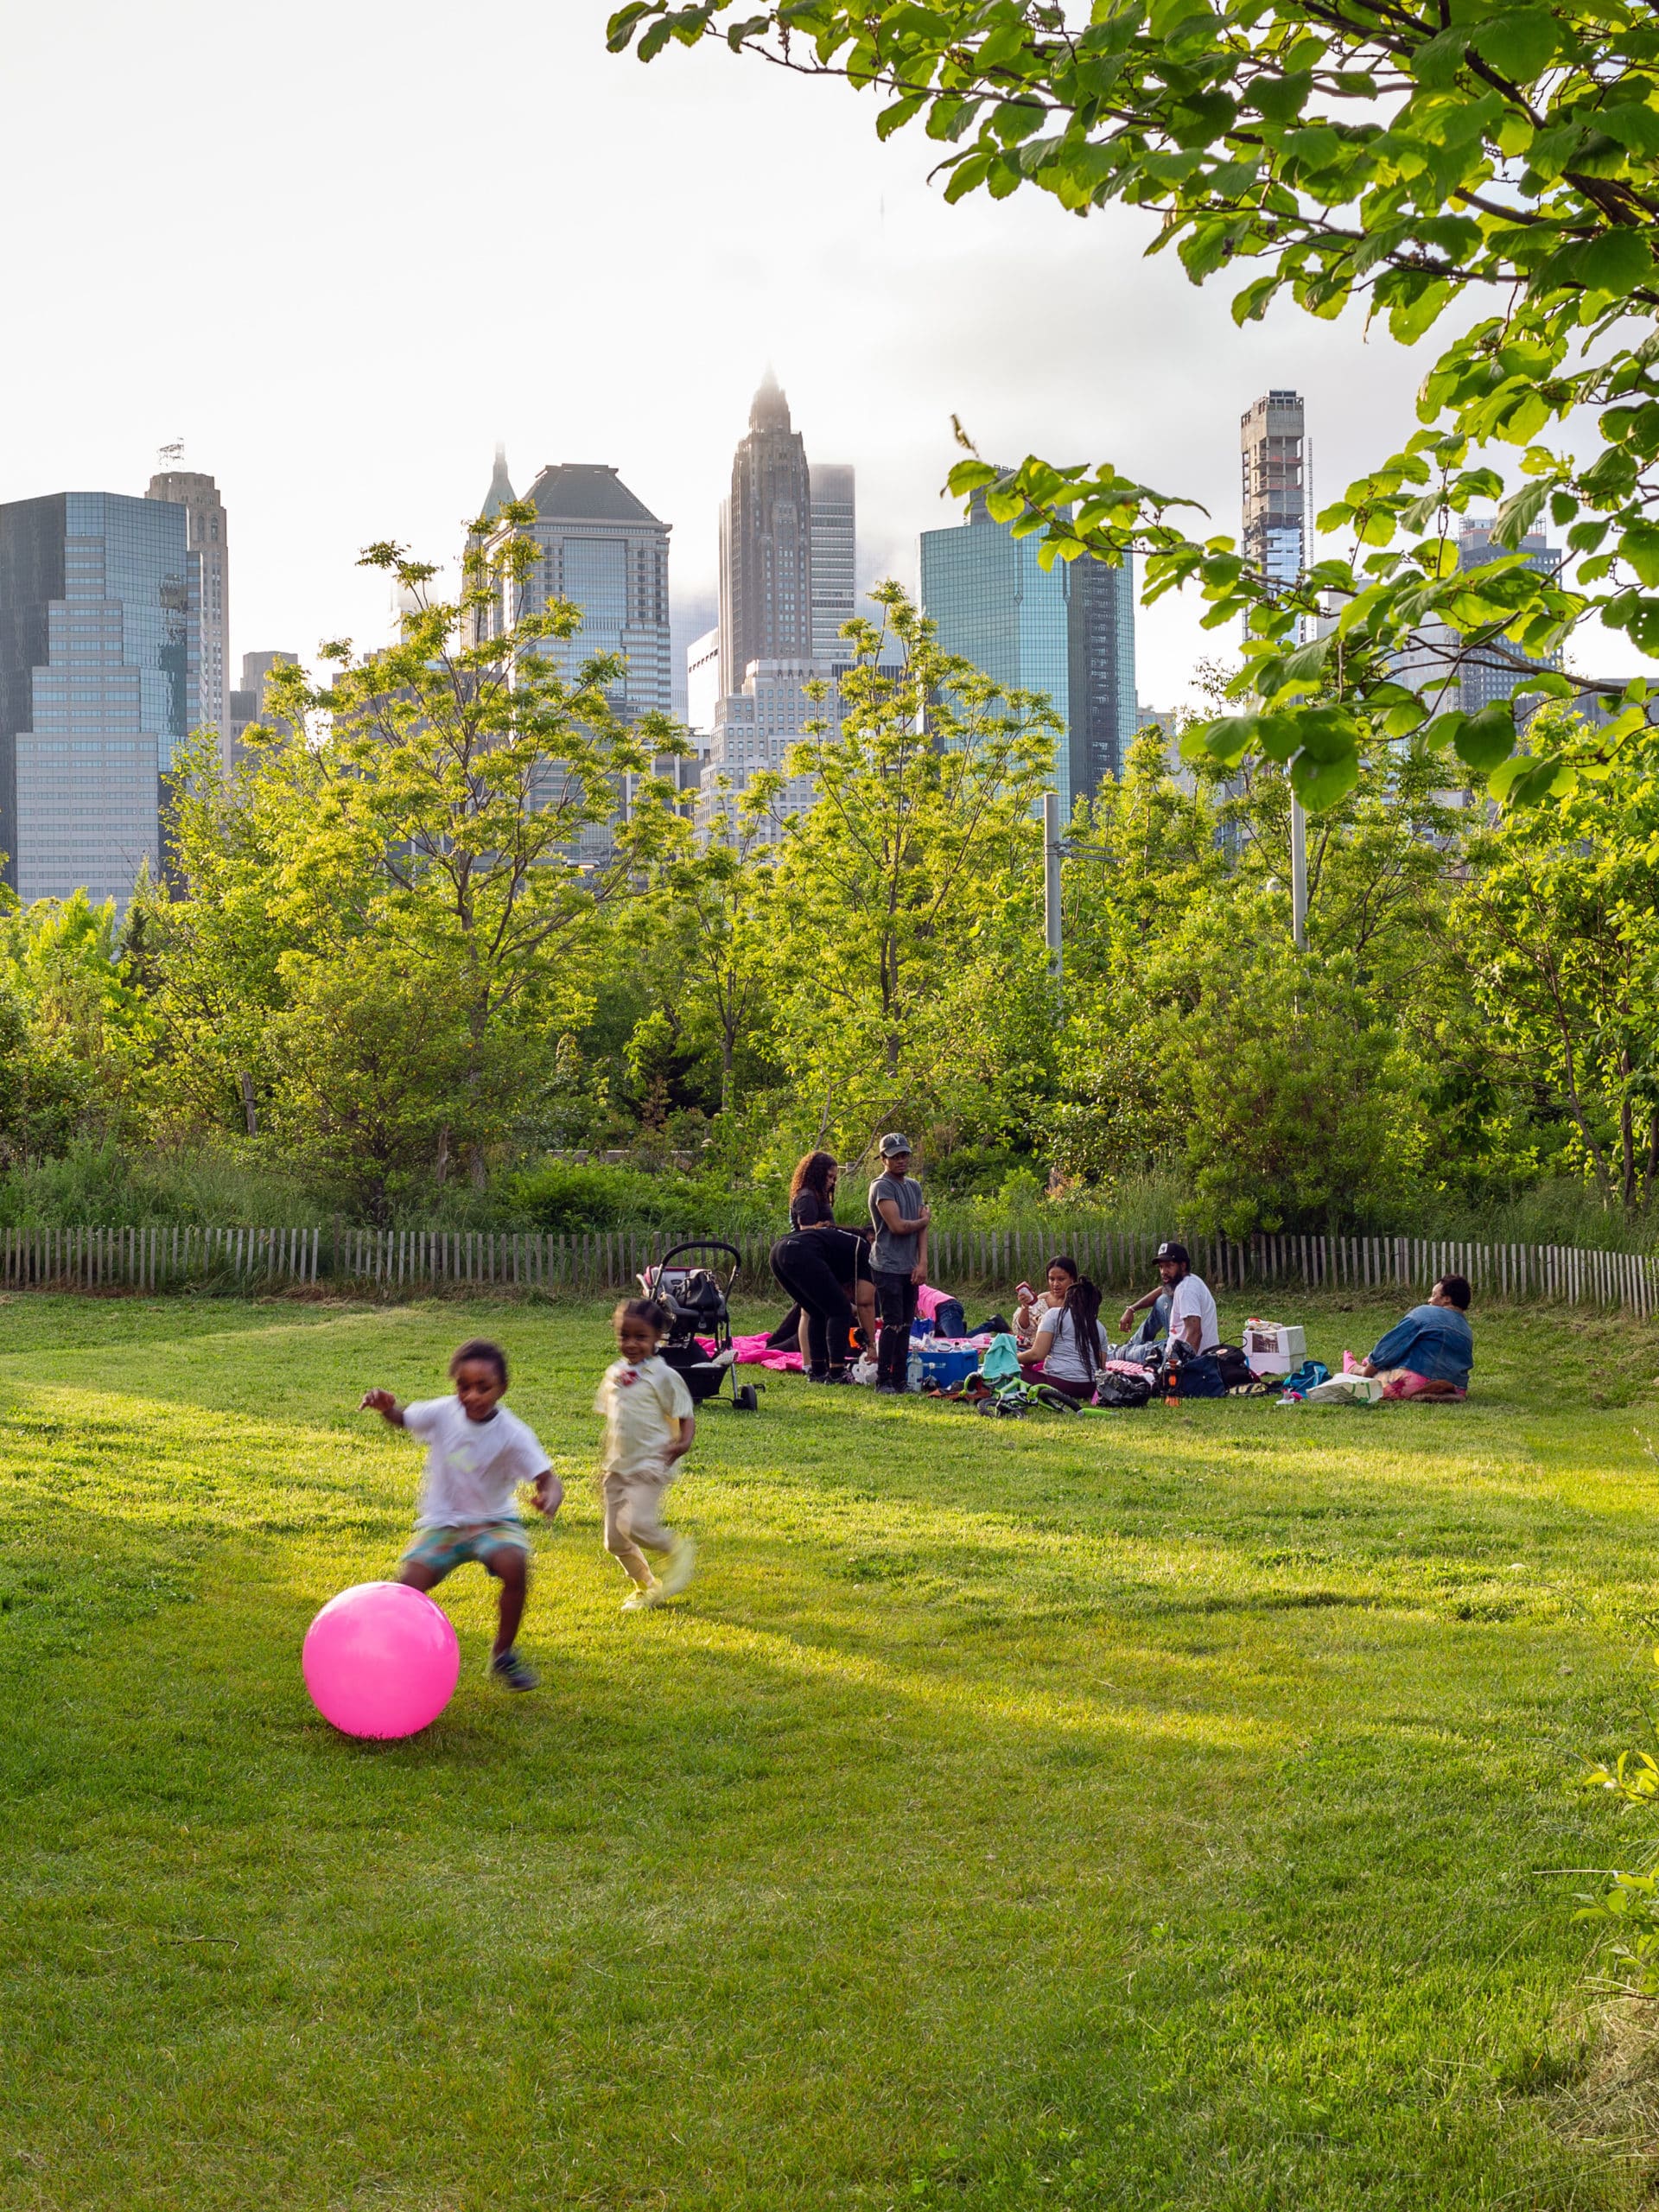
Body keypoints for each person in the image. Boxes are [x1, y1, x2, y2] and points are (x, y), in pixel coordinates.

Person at [359, 1338, 561, 1692]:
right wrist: (386, 1408)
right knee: (408, 1586)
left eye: (483, 1388)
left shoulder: (513, 1434)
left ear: (502, 1388)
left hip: (493, 1521)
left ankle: (503, 1653)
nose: (471, 1396)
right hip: (444, 1522)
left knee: (515, 1566)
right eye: (463, 1387)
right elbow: (404, 1418)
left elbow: (547, 1477)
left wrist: (549, 1496)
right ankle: (397, 1657)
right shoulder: (442, 1412)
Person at [595, 1297, 698, 1611]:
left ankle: (677, 1548)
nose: (631, 1343)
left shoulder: (663, 1376)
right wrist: (603, 1464)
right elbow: (614, 1421)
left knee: (636, 1525)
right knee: (614, 1540)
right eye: (624, 1336)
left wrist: (683, 1443)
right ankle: (646, 1585)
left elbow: (685, 1413)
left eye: (641, 1337)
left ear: (657, 1338)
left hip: (651, 1463)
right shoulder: (614, 1373)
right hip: (618, 1466)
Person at [768, 1151, 875, 1382]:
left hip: (780, 1251)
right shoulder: (807, 1196)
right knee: (839, 1310)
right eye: (829, 1177)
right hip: (803, 1252)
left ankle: (817, 1370)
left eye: (835, 1178)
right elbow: (808, 1228)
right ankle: (836, 1371)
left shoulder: (815, 1196)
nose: (832, 1182)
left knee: (817, 1310)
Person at [868, 1133, 930, 1395]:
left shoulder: (913, 1186)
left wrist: (923, 1261)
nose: (901, 1160)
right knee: (892, 1323)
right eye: (895, 1156)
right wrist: (923, 1222)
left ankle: (901, 1378)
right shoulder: (882, 1186)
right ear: (884, 1159)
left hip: (909, 1265)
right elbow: (898, 1226)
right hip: (887, 1264)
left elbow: (920, 1229)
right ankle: (884, 1379)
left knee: (906, 1323)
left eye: (904, 1155)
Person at [1356, 1275, 1474, 1399]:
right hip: (1457, 1389)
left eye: (1434, 1295)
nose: (1429, 1300)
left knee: (1372, 1372)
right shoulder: (1467, 1331)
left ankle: (1356, 1369)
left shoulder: (1425, 1313)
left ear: (1447, 1299)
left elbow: (1390, 1347)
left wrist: (1366, 1373)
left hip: (1413, 1382)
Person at [1119, 1241, 1219, 1355]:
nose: (1163, 1272)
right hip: (1181, 1346)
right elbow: (1162, 1290)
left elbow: (1195, 1334)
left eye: (1169, 1266)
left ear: (1182, 1266)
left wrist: (1182, 1366)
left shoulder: (1186, 1290)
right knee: (1162, 1301)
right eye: (1161, 1267)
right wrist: (1131, 1309)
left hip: (1187, 1355)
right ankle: (1133, 1344)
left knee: (1124, 1354)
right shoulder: (1188, 1280)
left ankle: (1125, 1349)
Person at [1019, 1276, 1107, 1399]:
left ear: (1069, 1298)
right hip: (1090, 1388)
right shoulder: (1100, 1328)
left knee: (1011, 1369)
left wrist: (1013, 1357)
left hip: (1060, 1385)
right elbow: (1101, 1367)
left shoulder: (1055, 1314)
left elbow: (1036, 1355)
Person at [1013, 1255, 1079, 1343]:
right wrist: (1025, 1307)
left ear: (1072, 1279)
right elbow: (1023, 1331)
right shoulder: (1042, 1299)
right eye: (1052, 1279)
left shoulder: (1079, 1301)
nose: (1055, 1284)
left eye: (1061, 1279)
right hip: (1038, 1348)